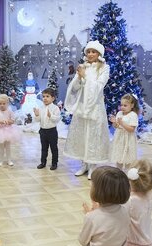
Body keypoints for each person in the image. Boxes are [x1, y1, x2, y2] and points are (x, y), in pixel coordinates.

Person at [76, 166, 138, 246]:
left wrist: (90, 214)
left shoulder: (92, 218)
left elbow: (83, 241)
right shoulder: (125, 211)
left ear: (98, 191)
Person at [64, 40, 111, 180]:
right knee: (82, 134)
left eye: (93, 51)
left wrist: (85, 76)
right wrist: (78, 78)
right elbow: (75, 88)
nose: (90, 54)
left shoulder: (104, 68)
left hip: (95, 107)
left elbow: (98, 86)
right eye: (88, 51)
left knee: (93, 136)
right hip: (82, 106)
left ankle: (92, 166)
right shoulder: (83, 67)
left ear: (99, 54)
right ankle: (83, 164)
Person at [110, 94, 139, 170]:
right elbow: (116, 126)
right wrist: (114, 122)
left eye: (125, 105)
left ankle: (127, 173)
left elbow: (131, 129)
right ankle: (118, 172)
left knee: (127, 158)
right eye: (121, 105)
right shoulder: (119, 113)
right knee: (119, 155)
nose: (122, 107)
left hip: (128, 139)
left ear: (132, 106)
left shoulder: (133, 115)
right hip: (119, 138)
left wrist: (122, 123)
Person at [34, 88, 61, 170]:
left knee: (54, 148)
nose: (45, 98)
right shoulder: (41, 107)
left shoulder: (55, 108)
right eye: (43, 96)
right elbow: (38, 120)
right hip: (43, 131)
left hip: (52, 131)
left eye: (47, 96)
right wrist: (37, 115)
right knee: (44, 148)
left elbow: (57, 119)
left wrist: (51, 116)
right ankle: (43, 162)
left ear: (53, 98)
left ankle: (54, 163)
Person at [0, 94, 21, 167]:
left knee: (8, 147)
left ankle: (9, 160)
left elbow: (13, 120)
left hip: (9, 131)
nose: (2, 105)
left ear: (7, 104)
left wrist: (8, 121)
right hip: (0, 131)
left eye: (4, 104)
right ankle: (0, 160)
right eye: (0, 103)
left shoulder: (10, 111)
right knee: (1, 147)